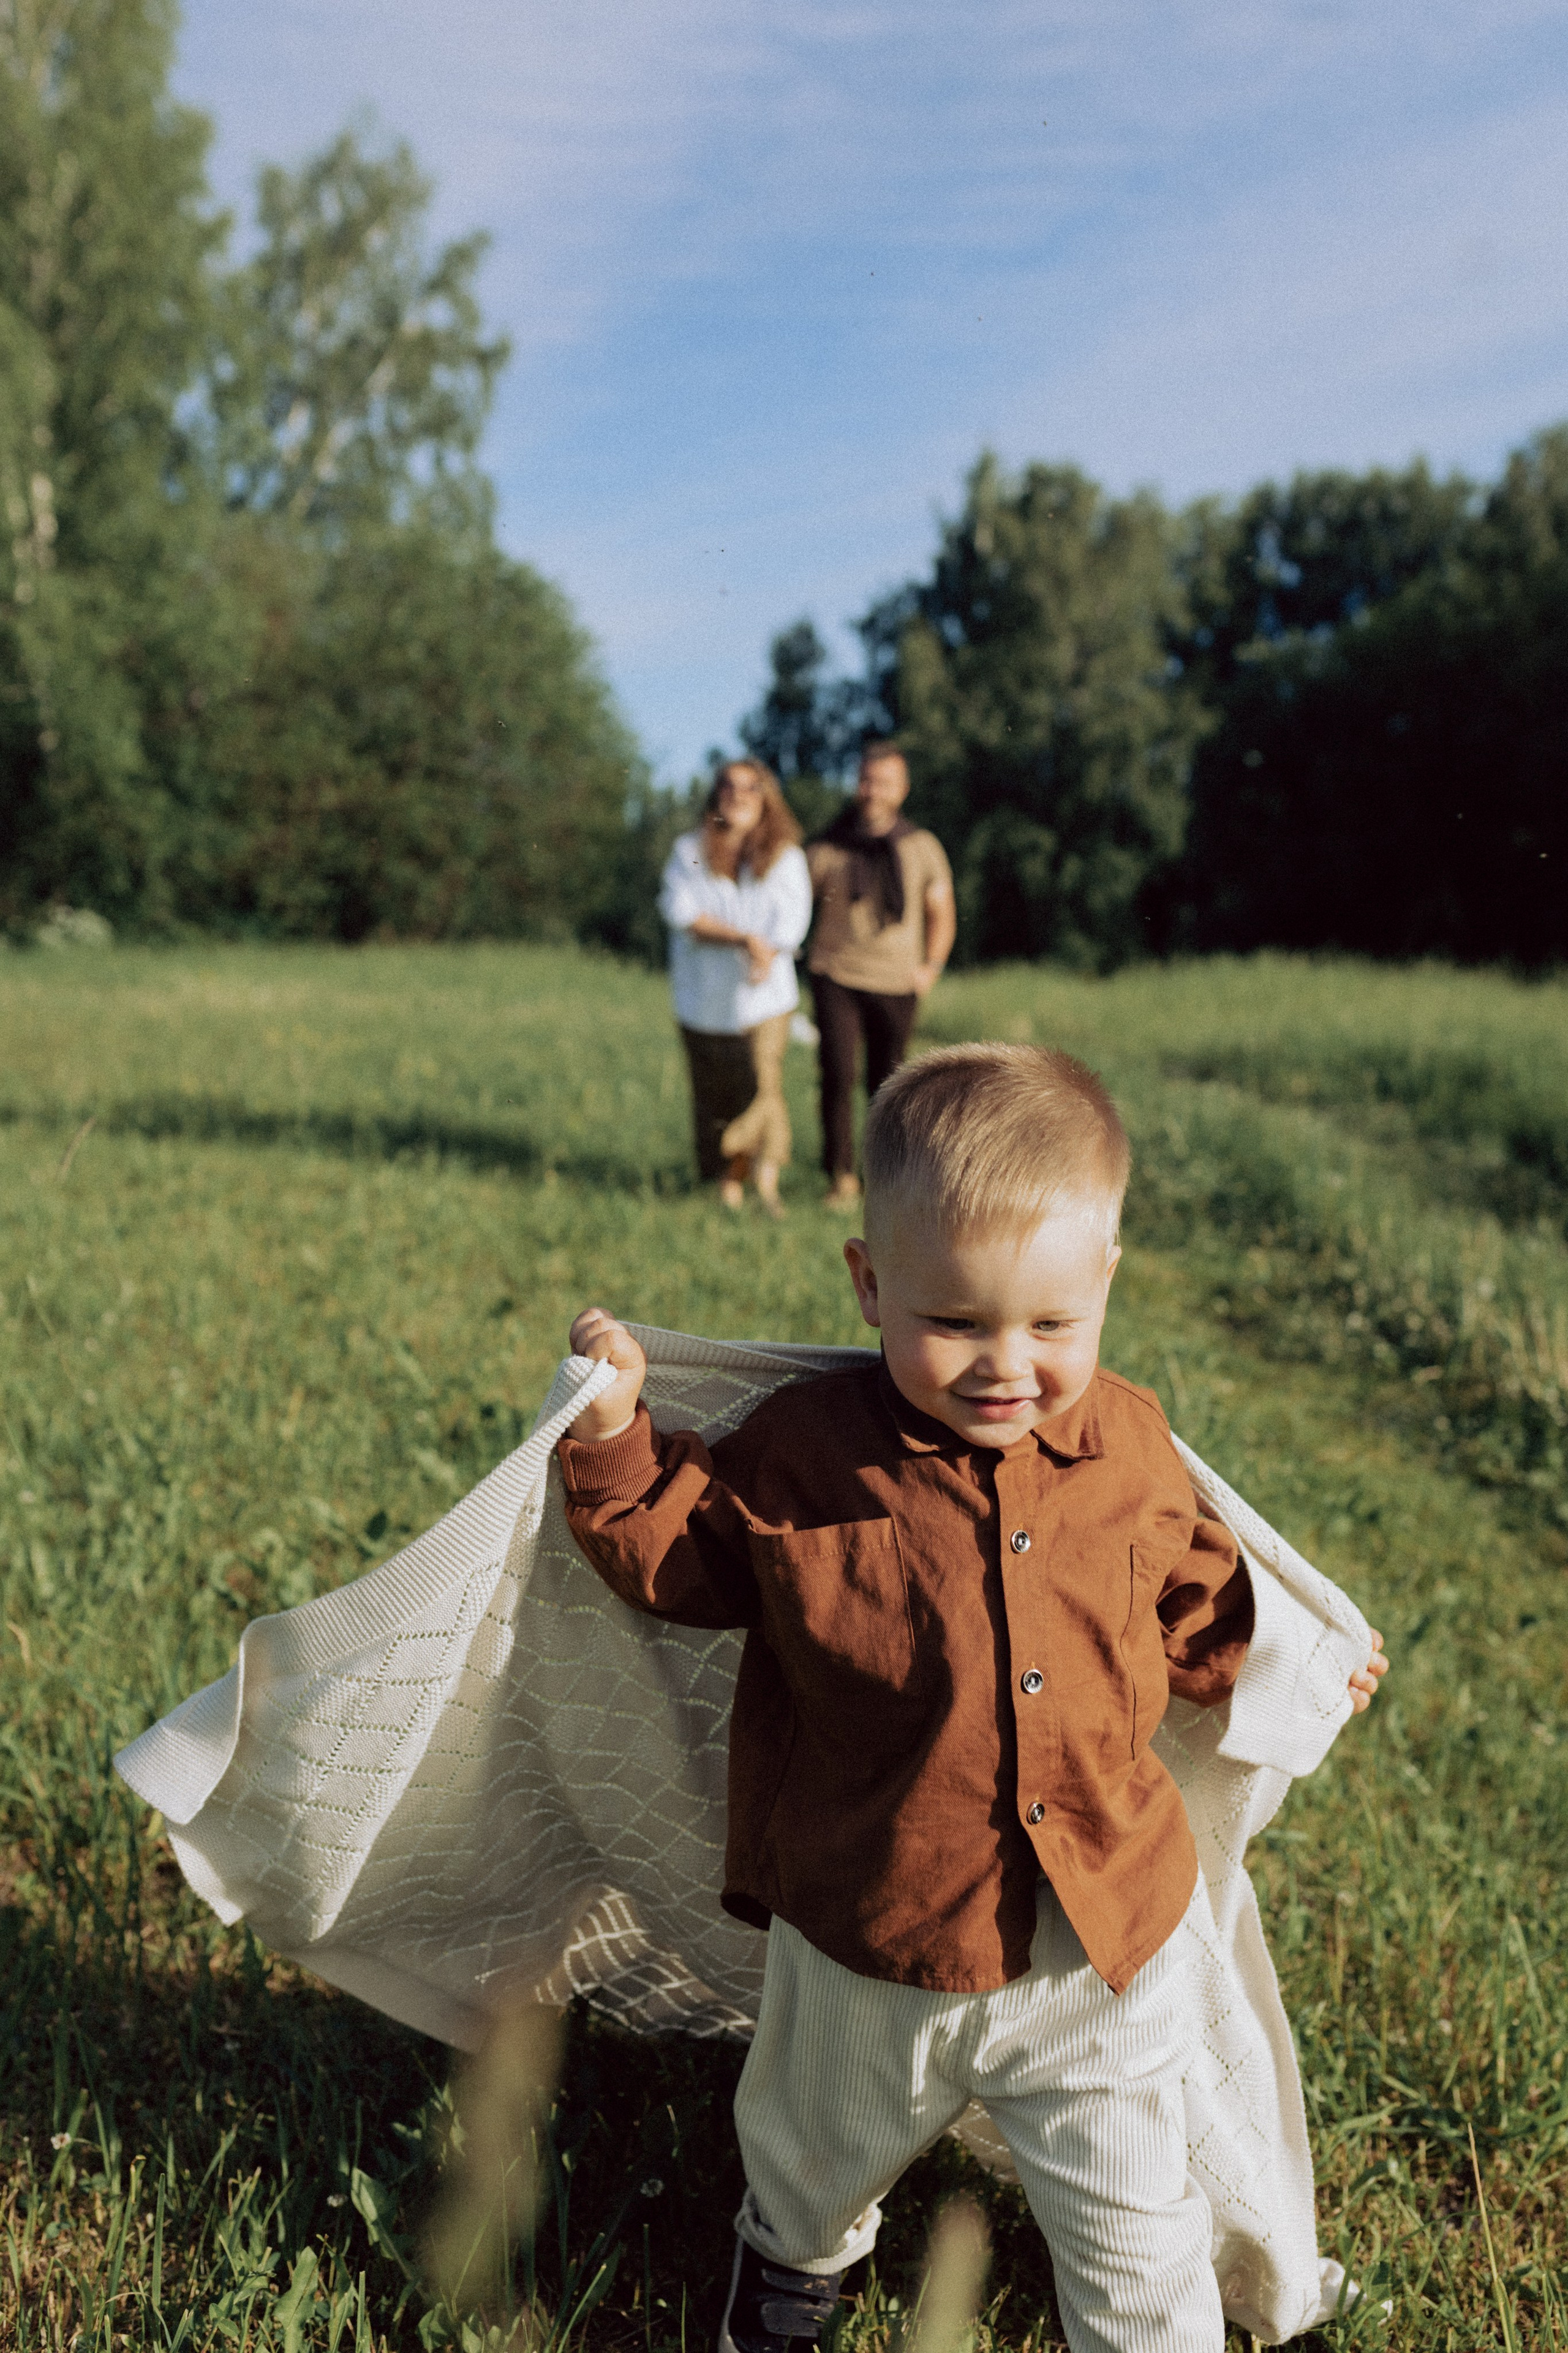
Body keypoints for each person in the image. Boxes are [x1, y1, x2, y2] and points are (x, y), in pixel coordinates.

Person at [557, 1043, 1389, 2353]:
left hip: (1094, 1949)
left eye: (1051, 1325)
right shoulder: (807, 1453)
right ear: (868, 1281)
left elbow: (1193, 1594)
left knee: (1136, 2230)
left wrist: (1283, 1658)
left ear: (1103, 1280)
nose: (1006, 1363)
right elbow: (680, 1553)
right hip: (865, 1934)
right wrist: (612, 1438)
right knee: (808, 2159)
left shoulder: (1130, 1448)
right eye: (953, 1322)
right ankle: (786, 2281)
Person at [805, 743, 956, 1208]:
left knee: (888, 1084)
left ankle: (884, 1180)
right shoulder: (827, 846)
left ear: (903, 790)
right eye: (866, 780)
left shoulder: (922, 846)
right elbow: (791, 903)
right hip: (837, 975)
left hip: (897, 981)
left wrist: (930, 966)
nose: (872, 791)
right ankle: (840, 1176)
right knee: (838, 1074)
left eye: (884, 782)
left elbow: (942, 912)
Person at [660, 760, 813, 1215]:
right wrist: (744, 938)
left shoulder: (786, 855)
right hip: (702, 1001)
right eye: (729, 786)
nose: (739, 794)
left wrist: (766, 949)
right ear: (715, 795)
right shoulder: (689, 849)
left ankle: (765, 1181)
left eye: (752, 787)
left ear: (767, 798)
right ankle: (725, 1181)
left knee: (763, 1090)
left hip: (766, 999)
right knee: (715, 1096)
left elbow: (793, 923)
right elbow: (682, 913)